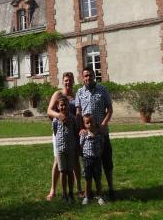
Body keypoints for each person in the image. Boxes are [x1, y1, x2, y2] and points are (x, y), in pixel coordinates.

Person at [75, 67, 115, 200]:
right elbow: (78, 113)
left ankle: (110, 189)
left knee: (106, 161)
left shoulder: (102, 90)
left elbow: (109, 109)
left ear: (94, 76)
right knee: (88, 164)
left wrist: (103, 125)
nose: (88, 78)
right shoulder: (79, 92)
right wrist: (81, 127)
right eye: (85, 76)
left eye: (90, 75)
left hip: (102, 133)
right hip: (87, 136)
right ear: (82, 77)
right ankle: (89, 193)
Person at [46, 72, 83, 201]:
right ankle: (53, 189)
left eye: (70, 80)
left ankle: (78, 189)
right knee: (57, 161)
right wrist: (58, 116)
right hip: (60, 133)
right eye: (66, 80)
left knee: (75, 161)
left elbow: (79, 113)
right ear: (63, 81)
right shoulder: (58, 94)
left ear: (73, 81)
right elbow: (49, 110)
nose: (68, 82)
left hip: (73, 132)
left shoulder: (76, 95)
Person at [52, 95, 77, 203]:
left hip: (71, 148)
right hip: (60, 149)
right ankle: (64, 193)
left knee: (70, 171)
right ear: (58, 107)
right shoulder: (55, 120)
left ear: (68, 106)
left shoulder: (73, 118)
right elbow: (55, 132)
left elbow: (75, 132)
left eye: (65, 105)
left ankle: (71, 193)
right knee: (62, 171)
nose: (63, 107)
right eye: (61, 105)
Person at [80, 113, 105, 205]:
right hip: (87, 159)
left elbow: (102, 144)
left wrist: (100, 153)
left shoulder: (99, 134)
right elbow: (81, 145)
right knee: (88, 179)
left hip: (97, 159)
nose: (89, 124)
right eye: (87, 123)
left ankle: (100, 196)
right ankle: (86, 196)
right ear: (84, 124)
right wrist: (84, 154)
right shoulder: (83, 134)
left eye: (91, 122)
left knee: (98, 178)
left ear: (95, 122)